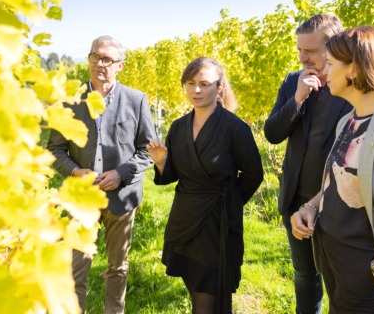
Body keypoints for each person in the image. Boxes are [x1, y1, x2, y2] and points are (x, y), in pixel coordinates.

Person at [291, 26, 374, 313]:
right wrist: (311, 207)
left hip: (370, 283)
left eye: (330, 63)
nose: (324, 71)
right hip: (338, 272)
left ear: (353, 68)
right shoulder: (349, 122)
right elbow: (337, 182)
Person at [47, 35, 156, 314]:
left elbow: (148, 151)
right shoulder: (69, 101)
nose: (100, 64)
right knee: (76, 267)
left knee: (117, 267)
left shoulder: (136, 100)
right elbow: (55, 149)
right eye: (95, 56)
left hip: (121, 196)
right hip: (82, 198)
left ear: (119, 65)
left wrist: (121, 173)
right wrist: (73, 171)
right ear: (89, 59)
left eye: (107, 59)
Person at [146, 57, 263, 314]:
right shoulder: (178, 128)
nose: (196, 90)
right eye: (190, 83)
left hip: (216, 225)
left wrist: (228, 203)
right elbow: (171, 176)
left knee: (206, 299)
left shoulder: (235, 128)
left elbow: (254, 174)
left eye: (204, 84)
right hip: (184, 220)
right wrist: (162, 162)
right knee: (194, 287)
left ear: (219, 88)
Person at [263, 14, 352, 314]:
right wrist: (297, 100)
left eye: (310, 51)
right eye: (299, 50)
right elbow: (272, 133)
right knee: (304, 277)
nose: (303, 57)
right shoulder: (292, 82)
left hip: (338, 201)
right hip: (296, 200)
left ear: (333, 47)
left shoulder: (352, 85)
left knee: (340, 281)